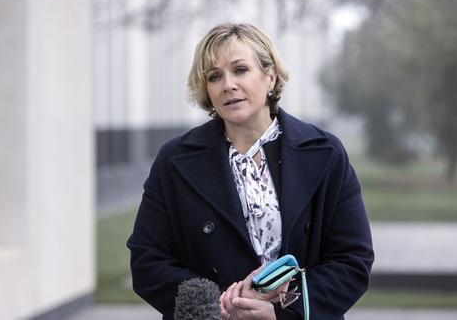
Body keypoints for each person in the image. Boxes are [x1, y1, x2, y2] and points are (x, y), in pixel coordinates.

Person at [127, 23, 374, 319]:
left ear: (270, 76)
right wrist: (217, 307)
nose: (228, 84)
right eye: (215, 77)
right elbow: (147, 260)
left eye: (240, 70)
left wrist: (282, 312)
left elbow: (352, 259)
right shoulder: (175, 160)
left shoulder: (325, 153)